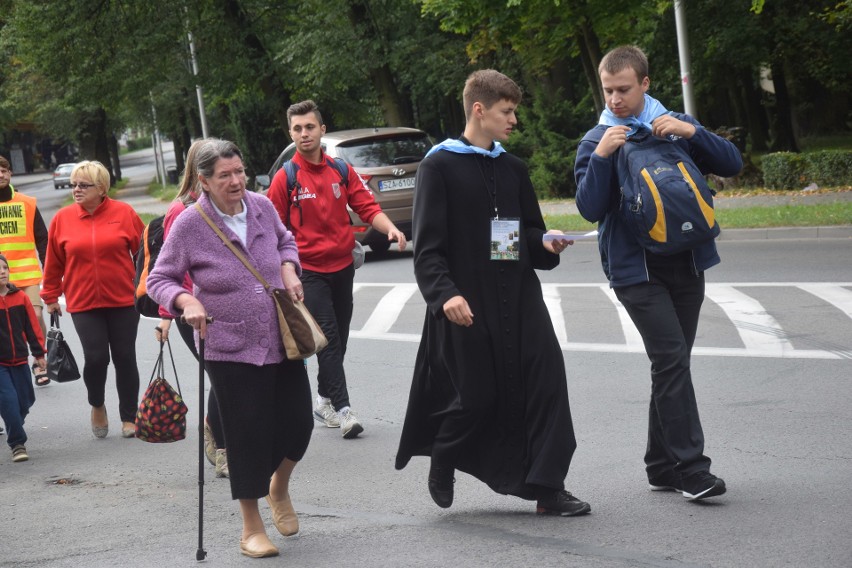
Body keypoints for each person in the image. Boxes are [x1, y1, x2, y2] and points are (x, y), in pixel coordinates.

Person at [394, 70, 589, 517]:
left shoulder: (511, 167)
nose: (514, 120)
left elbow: (516, 240)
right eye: (507, 111)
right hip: (466, 302)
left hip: (520, 299)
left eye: (514, 111)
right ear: (479, 110)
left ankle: (548, 489)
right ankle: (444, 455)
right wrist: (445, 295)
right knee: (476, 398)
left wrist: (545, 242)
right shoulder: (438, 166)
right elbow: (427, 248)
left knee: (547, 386)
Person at [574, 45, 742, 501]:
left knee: (672, 364)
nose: (614, 100)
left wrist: (693, 131)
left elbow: (732, 163)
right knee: (670, 360)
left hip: (687, 261)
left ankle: (660, 464)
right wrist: (605, 157)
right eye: (608, 90)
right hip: (636, 271)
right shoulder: (597, 140)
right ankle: (692, 470)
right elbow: (589, 209)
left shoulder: (674, 126)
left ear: (644, 84)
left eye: (623, 89)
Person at [147, 139, 313, 559]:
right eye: (225, 175)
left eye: (239, 171)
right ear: (203, 180)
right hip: (229, 343)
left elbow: (285, 241)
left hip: (278, 335)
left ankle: (279, 487)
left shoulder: (260, 205)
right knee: (246, 435)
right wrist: (188, 301)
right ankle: (250, 528)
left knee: (300, 424)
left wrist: (289, 269)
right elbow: (159, 279)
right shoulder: (190, 222)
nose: (236, 180)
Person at [267, 99, 407, 439]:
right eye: (297, 129)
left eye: (310, 127)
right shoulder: (286, 179)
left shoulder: (340, 171)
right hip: (308, 271)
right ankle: (344, 410)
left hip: (343, 267)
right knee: (328, 338)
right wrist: (283, 270)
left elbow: (366, 204)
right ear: (291, 133)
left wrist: (390, 227)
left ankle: (324, 398)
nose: (304, 134)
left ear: (322, 130)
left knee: (338, 340)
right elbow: (271, 228)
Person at [41, 160, 144, 439]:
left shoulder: (124, 213)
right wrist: (50, 295)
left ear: (101, 188)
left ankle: (129, 416)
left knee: (125, 356)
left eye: (83, 185)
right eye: (74, 184)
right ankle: (97, 404)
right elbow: (53, 262)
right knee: (96, 357)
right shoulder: (62, 219)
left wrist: (146, 285)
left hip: (123, 299)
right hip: (83, 302)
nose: (76, 189)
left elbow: (144, 253)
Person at [153, 139, 229, 478]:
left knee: (230, 374)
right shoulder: (181, 211)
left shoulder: (229, 206)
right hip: (193, 310)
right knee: (220, 375)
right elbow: (171, 269)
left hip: (228, 305)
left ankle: (221, 429)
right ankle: (223, 444)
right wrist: (172, 315)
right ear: (201, 174)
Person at [0, 156, 50, 386]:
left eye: (4, 170)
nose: (0, 175)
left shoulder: (27, 203)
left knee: (36, 316)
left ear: (10, 173)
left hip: (27, 273)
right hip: (0, 277)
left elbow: (42, 238)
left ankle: (40, 362)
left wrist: (49, 269)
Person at [0, 253, 45, 462]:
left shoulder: (20, 297)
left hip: (19, 359)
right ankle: (17, 443)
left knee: (26, 400)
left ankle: (14, 421)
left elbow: (32, 327)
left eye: (4, 268)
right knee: (8, 401)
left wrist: (39, 354)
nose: (2, 272)